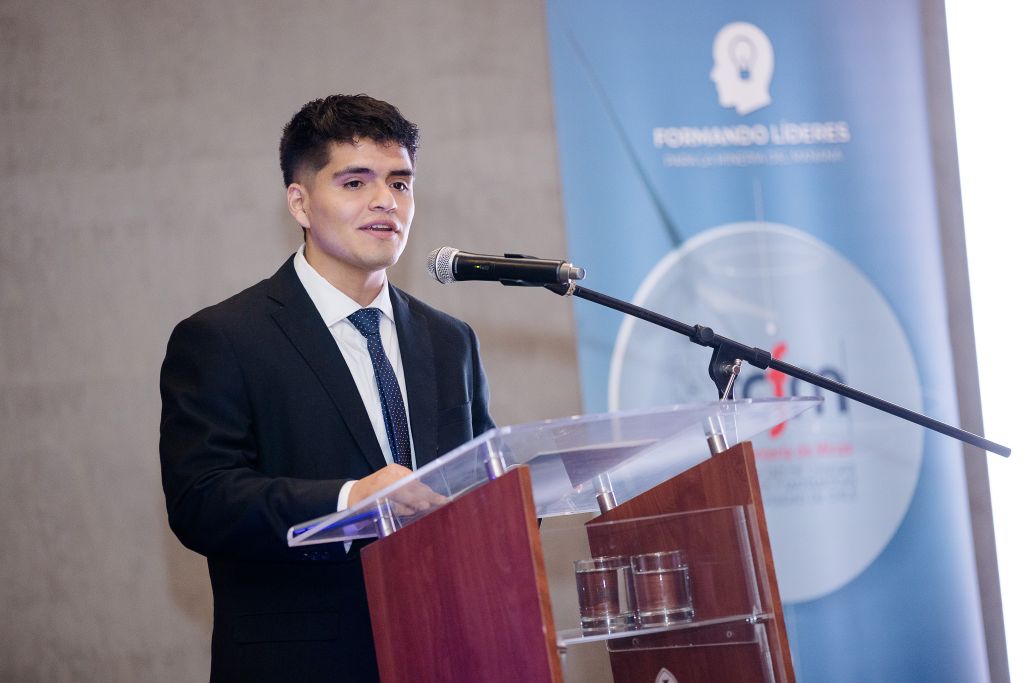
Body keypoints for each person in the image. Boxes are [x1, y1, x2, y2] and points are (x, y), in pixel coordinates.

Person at [159, 94, 495, 681]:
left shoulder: (449, 339)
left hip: (446, 649)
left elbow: (480, 478)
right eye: (355, 182)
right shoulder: (223, 338)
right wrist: (350, 500)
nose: (385, 201)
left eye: (400, 183)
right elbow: (202, 502)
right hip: (303, 660)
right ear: (300, 202)